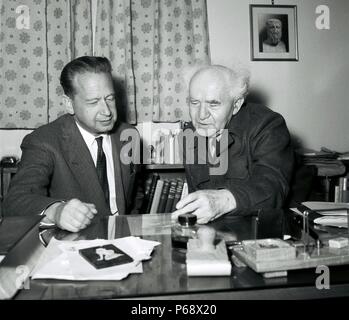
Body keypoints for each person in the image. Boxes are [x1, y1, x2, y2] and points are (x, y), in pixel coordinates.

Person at [3, 56, 139, 232]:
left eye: (110, 98)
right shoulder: (44, 141)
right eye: (93, 102)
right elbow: (15, 201)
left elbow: (135, 194)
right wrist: (56, 211)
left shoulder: (129, 135)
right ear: (69, 104)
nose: (106, 111)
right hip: (72, 246)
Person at [172, 65, 294, 224]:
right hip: (217, 233)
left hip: (263, 229)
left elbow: (273, 188)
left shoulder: (267, 125)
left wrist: (222, 201)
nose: (201, 115)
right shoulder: (191, 134)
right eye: (195, 102)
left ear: (236, 105)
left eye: (213, 104)